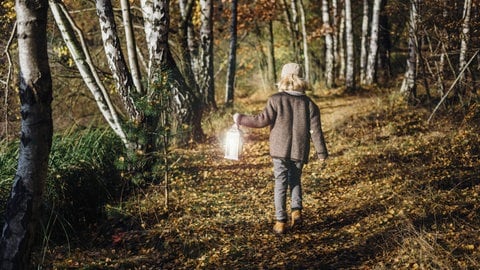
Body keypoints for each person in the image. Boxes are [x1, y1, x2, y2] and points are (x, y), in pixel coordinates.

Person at [233, 63, 328, 234]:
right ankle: (296, 211)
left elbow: (261, 120)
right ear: (301, 79)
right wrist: (321, 152)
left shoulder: (275, 99)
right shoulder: (309, 104)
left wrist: (240, 118)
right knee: (295, 180)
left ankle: (280, 222)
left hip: (279, 149)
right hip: (299, 149)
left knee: (280, 183)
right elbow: (316, 131)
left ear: (283, 78)